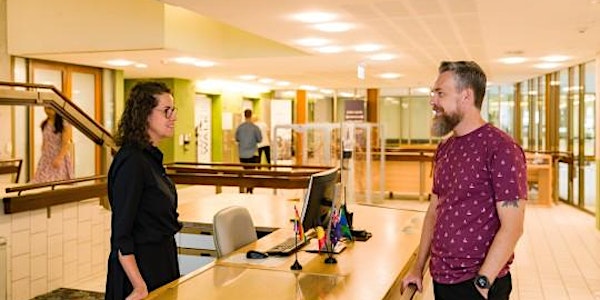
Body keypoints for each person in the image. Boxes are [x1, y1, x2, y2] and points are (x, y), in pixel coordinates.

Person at [401, 61, 527, 300]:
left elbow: (513, 227)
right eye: (433, 93)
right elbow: (434, 210)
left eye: (440, 93)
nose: (432, 101)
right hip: (442, 279)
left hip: (478, 284)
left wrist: (482, 283)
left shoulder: (501, 148)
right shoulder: (446, 148)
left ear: (466, 96)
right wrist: (417, 268)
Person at [105, 82, 182, 300]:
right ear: (144, 114)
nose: (173, 117)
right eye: (166, 111)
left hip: (161, 263)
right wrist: (139, 287)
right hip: (139, 274)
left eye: (173, 110)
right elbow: (122, 235)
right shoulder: (132, 162)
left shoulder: (150, 158)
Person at [31, 107, 73, 183]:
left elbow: (66, 144)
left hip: (59, 156)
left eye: (50, 109)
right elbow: (45, 141)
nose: (47, 111)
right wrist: (43, 154)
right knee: (40, 181)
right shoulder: (45, 124)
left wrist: (59, 158)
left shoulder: (64, 124)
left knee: (57, 183)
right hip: (46, 157)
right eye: (46, 108)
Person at [235, 109, 261, 193]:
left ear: (244, 115)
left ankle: (248, 186)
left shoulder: (240, 127)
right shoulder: (255, 127)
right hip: (253, 154)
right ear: (251, 115)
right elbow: (259, 139)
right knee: (251, 171)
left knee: (246, 171)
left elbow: (237, 138)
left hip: (242, 154)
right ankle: (250, 187)